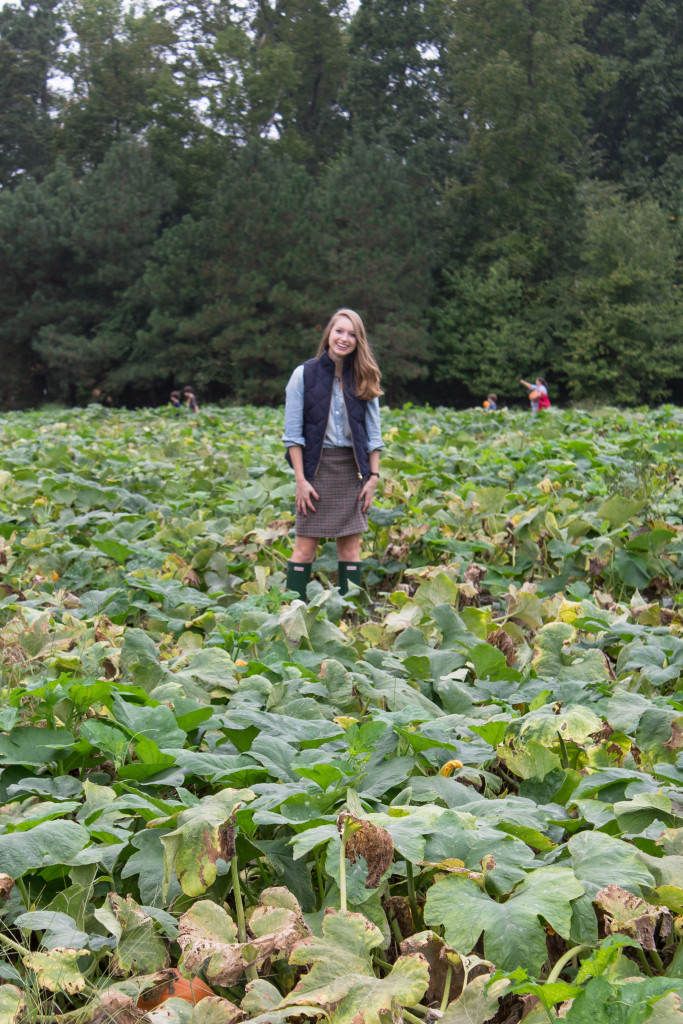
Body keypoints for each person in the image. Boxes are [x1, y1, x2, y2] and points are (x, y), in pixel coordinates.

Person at [282, 309, 384, 600]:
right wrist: (301, 480)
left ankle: (348, 615)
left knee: (351, 551)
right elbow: (293, 435)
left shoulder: (365, 377)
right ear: (329, 333)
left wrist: (373, 477)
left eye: (352, 334)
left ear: (358, 341)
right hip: (315, 471)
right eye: (339, 331)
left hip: (353, 473)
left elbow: (373, 436)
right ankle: (294, 615)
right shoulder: (304, 374)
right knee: (304, 550)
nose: (345, 338)